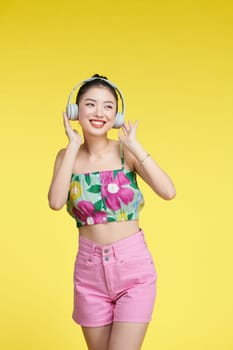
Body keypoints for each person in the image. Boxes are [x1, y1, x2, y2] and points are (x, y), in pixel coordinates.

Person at [48, 74, 176, 350]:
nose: (99, 113)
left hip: (133, 268)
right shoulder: (66, 156)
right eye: (90, 104)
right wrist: (71, 146)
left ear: (117, 116)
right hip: (89, 271)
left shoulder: (125, 153)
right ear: (75, 111)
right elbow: (56, 202)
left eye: (108, 106)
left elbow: (168, 191)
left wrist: (136, 146)